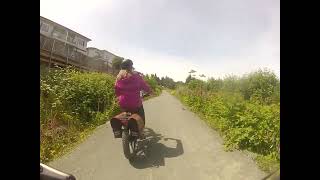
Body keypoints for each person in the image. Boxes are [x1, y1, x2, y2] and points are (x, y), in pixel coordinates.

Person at [111, 59, 152, 139]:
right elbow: (145, 87)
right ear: (131, 67)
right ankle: (140, 132)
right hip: (136, 104)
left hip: (123, 104)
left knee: (125, 114)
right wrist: (150, 91)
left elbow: (117, 91)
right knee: (142, 118)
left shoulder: (118, 78)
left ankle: (126, 126)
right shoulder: (137, 77)